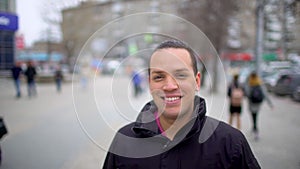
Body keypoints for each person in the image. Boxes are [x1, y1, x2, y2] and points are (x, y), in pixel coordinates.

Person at [103, 40, 260, 169]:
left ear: (197, 81)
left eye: (180, 75)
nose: (170, 86)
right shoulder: (124, 142)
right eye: (159, 77)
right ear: (150, 84)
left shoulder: (230, 144)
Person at [246, 71, 273, 140]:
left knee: (253, 116)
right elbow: (265, 94)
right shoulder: (260, 83)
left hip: (251, 103)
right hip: (258, 103)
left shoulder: (250, 83)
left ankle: (255, 130)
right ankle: (254, 128)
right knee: (255, 116)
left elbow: (247, 93)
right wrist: (270, 104)